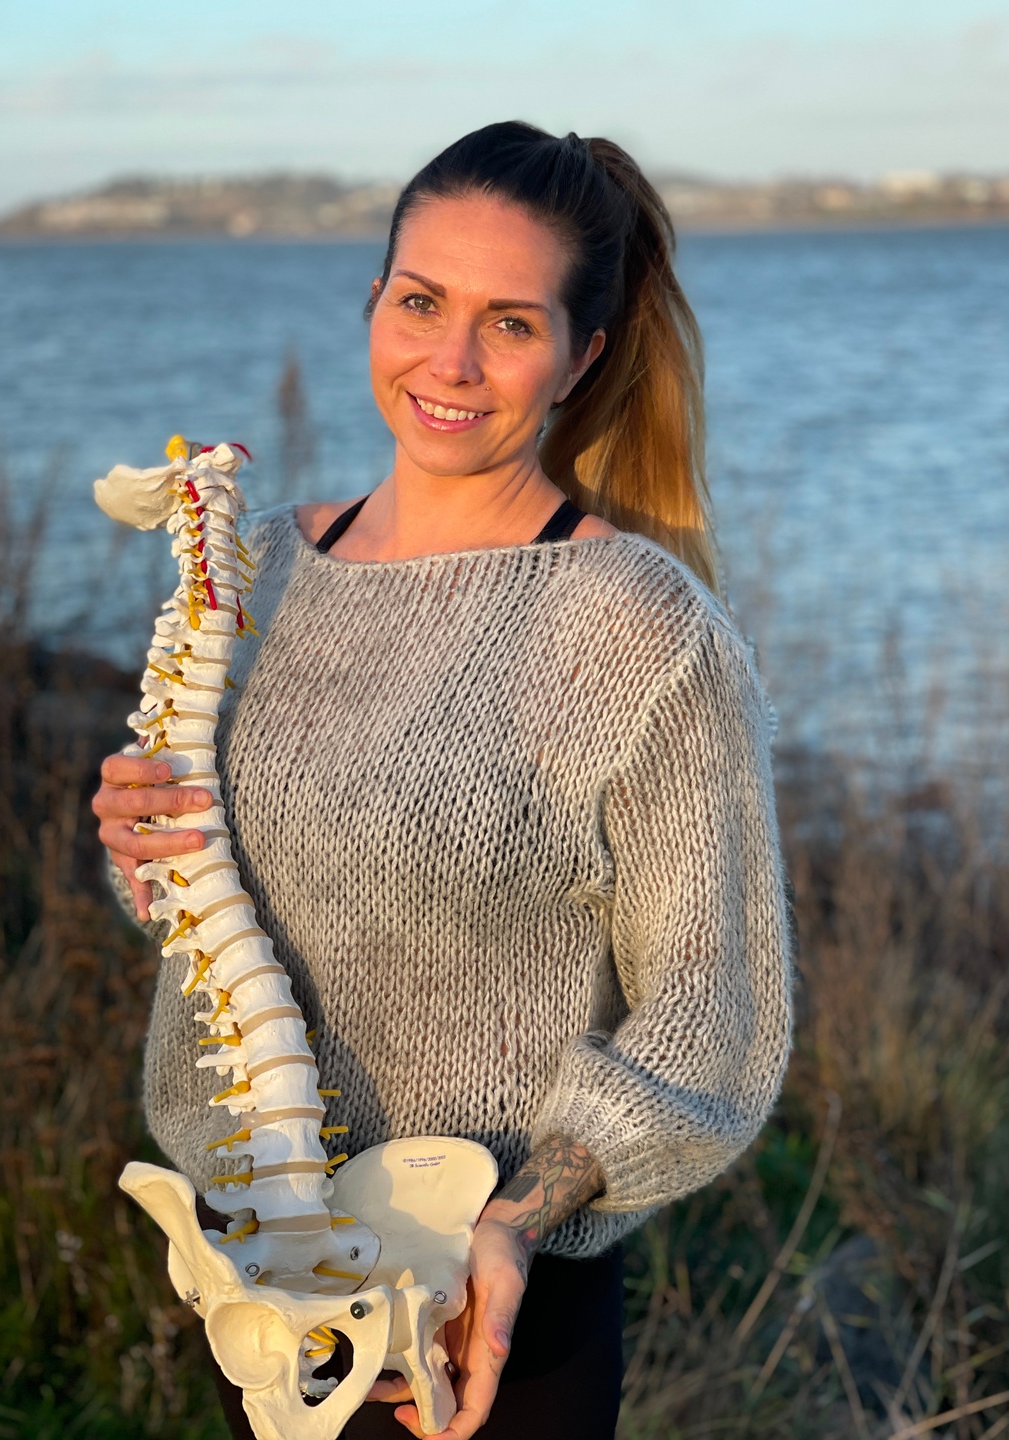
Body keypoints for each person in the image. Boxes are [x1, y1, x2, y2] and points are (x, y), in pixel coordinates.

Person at [93, 121, 794, 1440]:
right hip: (266, 1287)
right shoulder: (255, 571)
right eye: (420, 302)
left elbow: (711, 1011)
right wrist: (143, 857)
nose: (450, 362)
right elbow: (249, 919)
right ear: (374, 300)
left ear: (580, 357)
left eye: (509, 323)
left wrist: (516, 1221)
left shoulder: (639, 626)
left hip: (487, 1313)